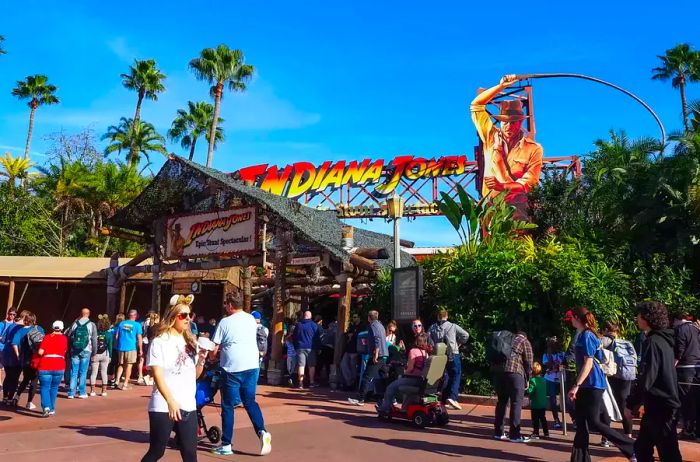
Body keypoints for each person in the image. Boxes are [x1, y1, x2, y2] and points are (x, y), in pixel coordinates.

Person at [470, 74, 544, 219]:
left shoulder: (534, 149)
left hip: (519, 211)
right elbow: (476, 105)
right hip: (491, 208)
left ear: (521, 122)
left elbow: (528, 185)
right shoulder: (490, 136)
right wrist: (501, 86)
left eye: (514, 121)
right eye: (505, 121)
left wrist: (502, 186)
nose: (509, 125)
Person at [140, 303, 207, 462]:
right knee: (157, 451)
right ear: (172, 316)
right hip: (164, 405)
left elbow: (195, 376)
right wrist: (170, 401)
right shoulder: (160, 342)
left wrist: (201, 361)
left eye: (189, 315)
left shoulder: (191, 342)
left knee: (190, 453)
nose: (188, 319)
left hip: (187, 404)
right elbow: (157, 374)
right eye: (183, 315)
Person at [567, 307, 635, 462]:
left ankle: (630, 446)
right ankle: (580, 458)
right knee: (582, 421)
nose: (570, 321)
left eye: (571, 318)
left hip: (592, 384)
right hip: (589, 384)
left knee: (593, 422)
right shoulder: (587, 335)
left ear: (577, 318)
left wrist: (576, 385)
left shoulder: (586, 336)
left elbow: (589, 363)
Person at [210, 291, 272, 457]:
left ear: (229, 305)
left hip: (232, 368)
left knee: (228, 406)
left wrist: (211, 356)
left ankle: (226, 443)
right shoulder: (250, 319)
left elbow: (214, 348)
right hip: (252, 366)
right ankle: (262, 432)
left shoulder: (225, 322)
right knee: (250, 401)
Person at [625, 301, 681, 462]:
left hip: (662, 406)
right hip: (659, 405)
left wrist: (631, 403)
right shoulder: (663, 340)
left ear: (647, 318)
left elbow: (648, 377)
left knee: (669, 453)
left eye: (639, 315)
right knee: (642, 448)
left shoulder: (654, 342)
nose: (637, 318)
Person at [493, 329, 533, 443]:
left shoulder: (507, 340)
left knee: (502, 401)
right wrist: (527, 378)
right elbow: (529, 363)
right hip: (515, 373)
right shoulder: (524, 341)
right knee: (516, 402)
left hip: (499, 373)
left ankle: (498, 432)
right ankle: (515, 435)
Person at [377, 333, 429, 415]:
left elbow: (410, 369)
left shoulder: (413, 351)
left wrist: (403, 374)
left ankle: (385, 408)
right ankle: (404, 408)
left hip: (413, 379)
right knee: (405, 385)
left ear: (417, 341)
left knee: (391, 387)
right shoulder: (426, 353)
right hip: (422, 381)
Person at [601, 321, 637, 438]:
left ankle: (605, 438)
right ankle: (629, 435)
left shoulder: (605, 340)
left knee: (608, 404)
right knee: (623, 406)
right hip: (627, 376)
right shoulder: (625, 342)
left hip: (612, 376)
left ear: (606, 329)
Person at [428, 309, 469, 410]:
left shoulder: (432, 328)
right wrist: (458, 343)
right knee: (456, 374)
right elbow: (466, 335)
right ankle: (452, 397)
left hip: (439, 356)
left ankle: (444, 398)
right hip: (452, 353)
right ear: (447, 316)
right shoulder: (452, 326)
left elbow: (428, 339)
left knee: (445, 376)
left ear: (438, 316)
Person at [348, 310, 388, 406]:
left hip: (377, 355)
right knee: (384, 375)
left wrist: (376, 354)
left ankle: (361, 399)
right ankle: (391, 397)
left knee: (366, 376)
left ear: (369, 317)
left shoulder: (373, 326)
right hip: (384, 354)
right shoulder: (381, 325)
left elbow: (377, 339)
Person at [672, 311, 700, 439]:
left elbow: (679, 350)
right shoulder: (696, 328)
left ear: (678, 320)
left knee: (686, 401)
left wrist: (672, 366)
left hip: (685, 368)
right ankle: (695, 430)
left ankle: (687, 430)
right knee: (695, 399)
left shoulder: (681, 329)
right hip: (697, 367)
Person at [36, 320, 68, 417]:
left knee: (45, 387)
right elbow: (65, 351)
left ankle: (46, 407)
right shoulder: (64, 338)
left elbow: (40, 352)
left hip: (45, 364)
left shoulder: (46, 337)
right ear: (62, 328)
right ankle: (52, 408)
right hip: (59, 365)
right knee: (54, 388)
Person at [14, 312, 45, 409]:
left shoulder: (20, 331)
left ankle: (16, 396)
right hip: (35, 358)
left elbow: (14, 343)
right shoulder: (38, 329)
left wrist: (18, 355)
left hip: (24, 358)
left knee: (25, 379)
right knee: (34, 381)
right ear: (34, 320)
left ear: (26, 320)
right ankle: (29, 402)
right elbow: (43, 342)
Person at [66, 308, 98, 399]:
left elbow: (69, 336)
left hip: (75, 350)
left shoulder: (75, 323)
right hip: (87, 350)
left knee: (74, 372)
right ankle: (82, 392)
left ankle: (71, 393)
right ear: (89, 314)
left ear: (81, 313)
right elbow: (94, 339)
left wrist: (69, 349)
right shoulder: (92, 325)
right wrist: (94, 352)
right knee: (83, 372)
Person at [2, 310, 28, 404]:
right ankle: (10, 398)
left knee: (8, 376)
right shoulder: (22, 328)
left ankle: (5, 397)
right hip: (16, 355)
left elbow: (4, 339)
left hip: (6, 354)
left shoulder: (11, 325)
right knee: (15, 378)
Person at [114, 309, 144, 390]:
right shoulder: (137, 325)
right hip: (131, 347)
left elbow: (116, 336)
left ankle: (117, 380)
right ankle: (125, 384)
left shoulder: (122, 323)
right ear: (135, 316)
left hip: (121, 347)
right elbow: (139, 337)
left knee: (121, 364)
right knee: (129, 365)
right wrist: (140, 349)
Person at [293, 311, 321, 389]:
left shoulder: (298, 325)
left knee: (301, 365)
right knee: (311, 366)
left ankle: (301, 383)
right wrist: (319, 348)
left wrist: (296, 346)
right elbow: (317, 338)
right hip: (311, 348)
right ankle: (311, 382)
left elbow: (294, 337)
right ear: (310, 316)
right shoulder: (314, 325)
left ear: (304, 316)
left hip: (300, 347)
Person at [542, 336, 565, 429]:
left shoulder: (562, 354)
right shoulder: (546, 355)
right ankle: (556, 420)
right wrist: (550, 355)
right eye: (551, 345)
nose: (553, 346)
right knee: (553, 399)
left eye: (554, 344)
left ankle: (574, 419)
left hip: (561, 379)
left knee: (566, 400)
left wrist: (561, 364)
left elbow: (565, 363)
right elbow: (548, 365)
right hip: (550, 379)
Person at [89, 314, 114, 397]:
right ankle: (104, 391)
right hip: (105, 354)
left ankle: (92, 390)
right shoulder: (109, 334)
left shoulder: (95, 334)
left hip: (95, 354)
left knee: (93, 373)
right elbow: (110, 346)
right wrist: (110, 356)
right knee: (104, 372)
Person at [340, 313, 362, 390]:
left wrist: (353, 335)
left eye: (355, 317)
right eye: (353, 317)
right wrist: (348, 335)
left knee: (353, 367)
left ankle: (352, 383)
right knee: (343, 364)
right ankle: (348, 381)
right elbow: (347, 334)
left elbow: (361, 335)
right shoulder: (352, 326)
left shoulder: (361, 327)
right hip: (348, 349)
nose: (353, 318)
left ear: (359, 318)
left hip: (355, 350)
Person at [527, 361, 549, 439]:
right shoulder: (543, 380)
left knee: (535, 419)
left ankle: (536, 432)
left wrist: (527, 388)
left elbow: (530, 391)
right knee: (543, 418)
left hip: (535, 403)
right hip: (543, 403)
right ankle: (546, 432)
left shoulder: (533, 380)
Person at [0, 308, 18, 389]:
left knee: (6, 367)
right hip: (1, 347)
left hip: (10, 349)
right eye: (10, 314)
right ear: (8, 314)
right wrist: (3, 339)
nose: (12, 316)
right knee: (1, 366)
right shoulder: (2, 323)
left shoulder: (15, 324)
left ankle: (4, 383)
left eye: (14, 314)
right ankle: (0, 383)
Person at [108, 313, 125, 387]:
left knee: (112, 363)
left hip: (113, 347)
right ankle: (117, 378)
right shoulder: (122, 327)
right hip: (120, 347)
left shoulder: (112, 327)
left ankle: (110, 378)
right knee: (119, 363)